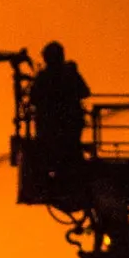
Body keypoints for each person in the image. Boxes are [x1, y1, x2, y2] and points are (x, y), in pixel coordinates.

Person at [29, 41, 91, 178]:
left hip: (50, 130)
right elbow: (85, 92)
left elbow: (33, 99)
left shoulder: (43, 77)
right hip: (70, 126)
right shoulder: (69, 73)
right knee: (71, 154)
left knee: (54, 157)